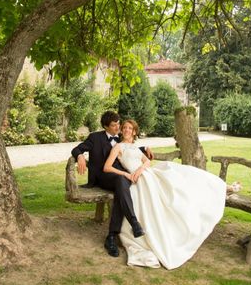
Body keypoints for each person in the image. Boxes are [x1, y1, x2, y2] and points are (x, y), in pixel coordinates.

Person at [104, 119, 226, 270]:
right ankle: (139, 227)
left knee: (175, 185)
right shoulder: (118, 147)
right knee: (150, 199)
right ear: (122, 131)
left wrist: (141, 169)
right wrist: (126, 174)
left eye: (130, 128)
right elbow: (107, 167)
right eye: (125, 128)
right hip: (134, 178)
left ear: (134, 132)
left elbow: (147, 162)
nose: (127, 130)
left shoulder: (136, 147)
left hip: (145, 173)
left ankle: (215, 189)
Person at [71, 111, 153, 258]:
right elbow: (77, 148)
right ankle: (132, 223)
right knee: (121, 184)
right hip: (103, 177)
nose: (118, 128)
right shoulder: (95, 138)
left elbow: (129, 147)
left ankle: (111, 237)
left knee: (121, 190)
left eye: (118, 124)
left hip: (122, 177)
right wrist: (79, 155)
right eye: (114, 125)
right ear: (105, 126)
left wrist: (145, 147)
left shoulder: (120, 136)